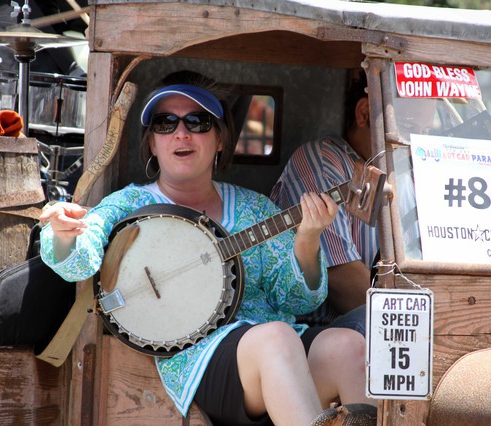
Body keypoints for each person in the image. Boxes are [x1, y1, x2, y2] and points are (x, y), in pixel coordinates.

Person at [38, 71, 376, 425]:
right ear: (152, 142)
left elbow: (297, 302)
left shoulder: (255, 209)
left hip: (277, 347)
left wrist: (308, 238)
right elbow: (77, 259)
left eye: (197, 121)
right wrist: (64, 232)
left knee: (351, 347)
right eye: (165, 123)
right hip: (198, 355)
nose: (181, 133)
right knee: (277, 339)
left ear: (219, 139)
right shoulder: (130, 204)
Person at [270, 71, 375, 332]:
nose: (414, 142)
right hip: (326, 335)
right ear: (364, 113)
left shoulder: (407, 173)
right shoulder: (326, 161)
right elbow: (340, 280)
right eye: (409, 130)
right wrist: (423, 320)